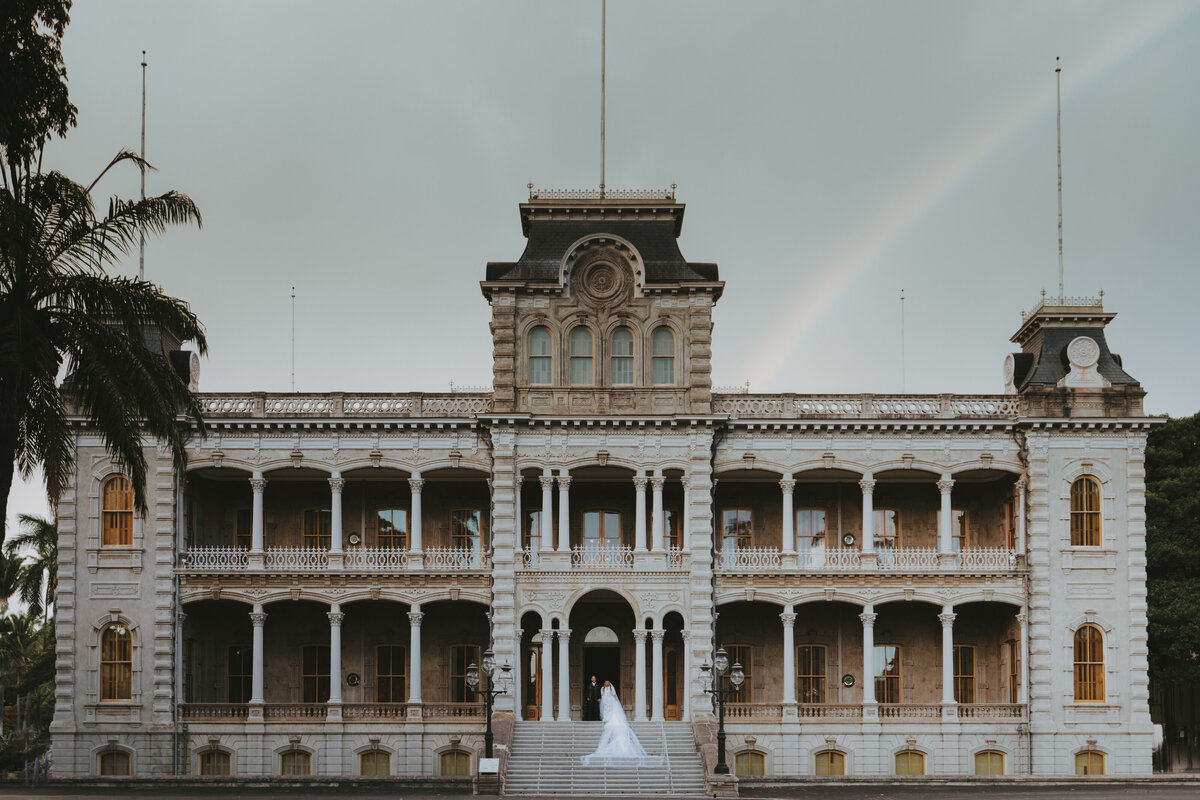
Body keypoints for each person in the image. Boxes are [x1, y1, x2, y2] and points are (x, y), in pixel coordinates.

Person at [581, 681, 663, 766]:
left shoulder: (610, 688)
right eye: (605, 683)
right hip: (605, 699)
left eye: (607, 683)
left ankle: (609, 718)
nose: (606, 684)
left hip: (610, 700)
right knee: (605, 710)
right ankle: (606, 718)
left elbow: (613, 694)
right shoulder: (602, 688)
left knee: (611, 710)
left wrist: (615, 699)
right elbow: (601, 694)